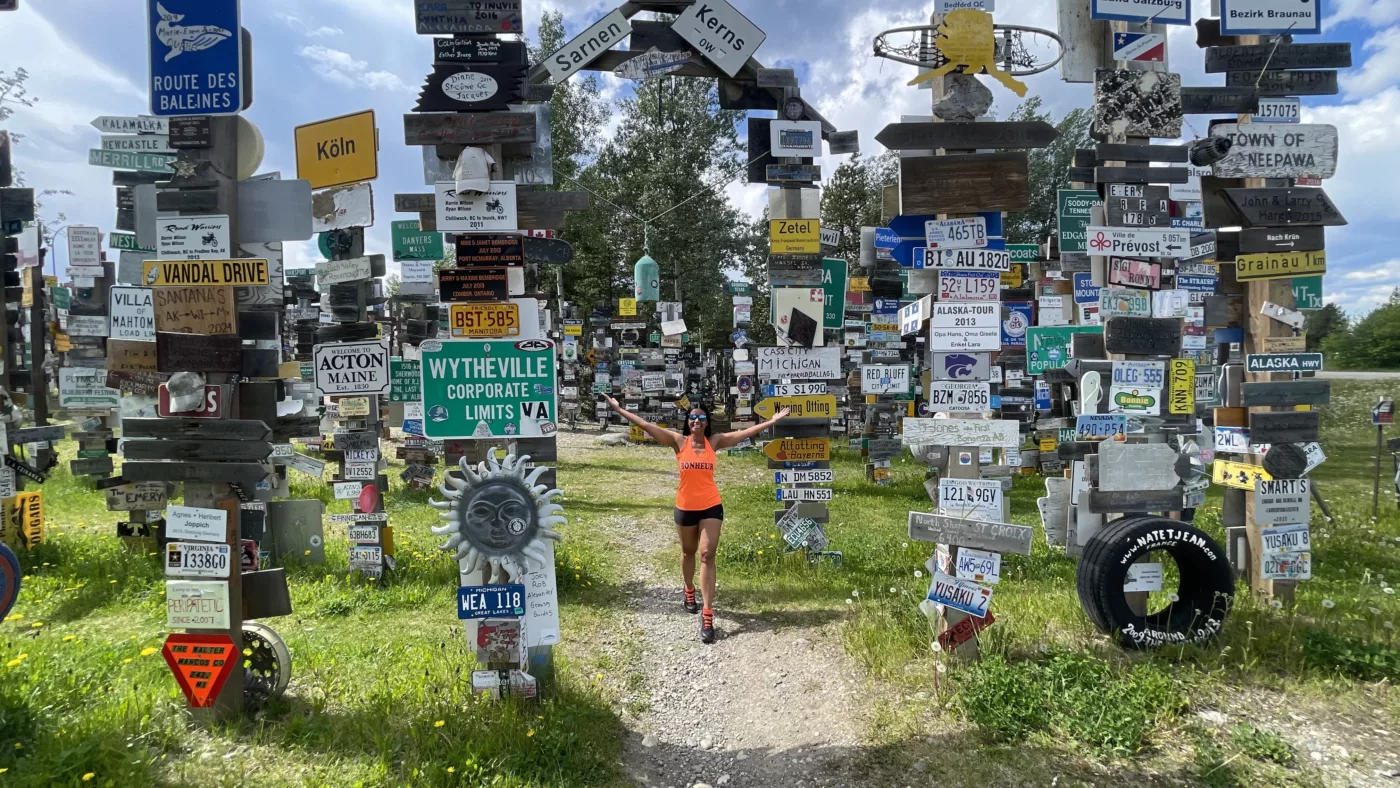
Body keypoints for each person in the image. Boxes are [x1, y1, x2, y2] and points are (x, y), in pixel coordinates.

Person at [601, 395, 791, 643]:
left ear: (707, 422)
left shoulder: (715, 442)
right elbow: (646, 425)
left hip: (711, 506)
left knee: (706, 554)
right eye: (693, 417)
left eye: (701, 417)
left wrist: (771, 421)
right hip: (685, 508)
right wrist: (619, 409)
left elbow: (745, 433)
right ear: (688, 422)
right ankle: (689, 589)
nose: (697, 421)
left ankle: (708, 612)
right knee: (688, 551)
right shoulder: (679, 442)